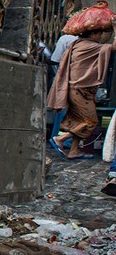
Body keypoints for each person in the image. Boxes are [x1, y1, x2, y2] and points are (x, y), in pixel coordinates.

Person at [47, 20, 116, 160]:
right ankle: (60, 139)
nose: (101, 36)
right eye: (99, 34)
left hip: (77, 89)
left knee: (78, 120)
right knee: (90, 121)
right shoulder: (90, 46)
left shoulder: (78, 44)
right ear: (93, 34)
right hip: (80, 90)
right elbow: (113, 47)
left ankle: (73, 151)